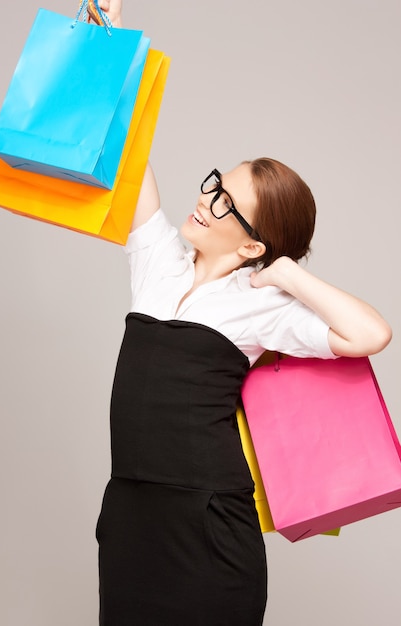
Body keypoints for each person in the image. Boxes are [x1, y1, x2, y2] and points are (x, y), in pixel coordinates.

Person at [93, 2, 392, 625]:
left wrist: (286, 273)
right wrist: (111, 51)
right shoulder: (157, 259)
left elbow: (371, 334)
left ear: (254, 244)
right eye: (213, 185)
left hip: (207, 524)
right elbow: (129, 150)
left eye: (227, 203)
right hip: (131, 515)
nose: (207, 200)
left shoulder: (263, 307)